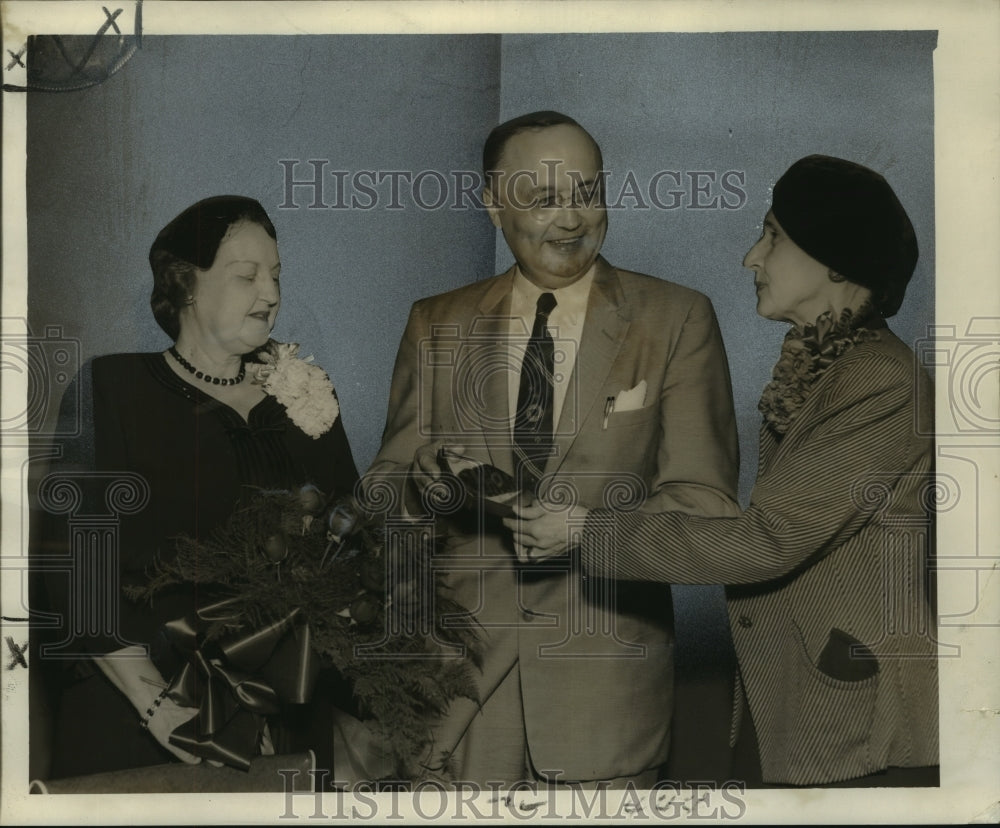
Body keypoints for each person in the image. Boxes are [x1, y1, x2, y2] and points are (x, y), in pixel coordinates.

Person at [510, 155, 939, 787]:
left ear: (836, 261)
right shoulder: (833, 366)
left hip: (859, 726)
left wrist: (583, 530)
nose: (751, 259)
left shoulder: (878, 381)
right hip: (805, 702)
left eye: (772, 236)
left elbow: (766, 542)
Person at [365, 111, 740, 786]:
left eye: (587, 194)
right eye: (543, 201)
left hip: (605, 707)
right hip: (458, 703)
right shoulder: (435, 322)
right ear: (492, 204)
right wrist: (425, 485)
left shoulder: (677, 317)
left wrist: (590, 533)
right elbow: (383, 496)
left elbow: (706, 511)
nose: (571, 220)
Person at [42, 195, 359, 779]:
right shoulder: (112, 389)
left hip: (285, 713)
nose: (271, 294)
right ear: (185, 284)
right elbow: (76, 572)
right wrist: (158, 706)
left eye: (276, 275)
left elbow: (354, 549)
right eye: (247, 276)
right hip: (144, 714)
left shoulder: (307, 392)